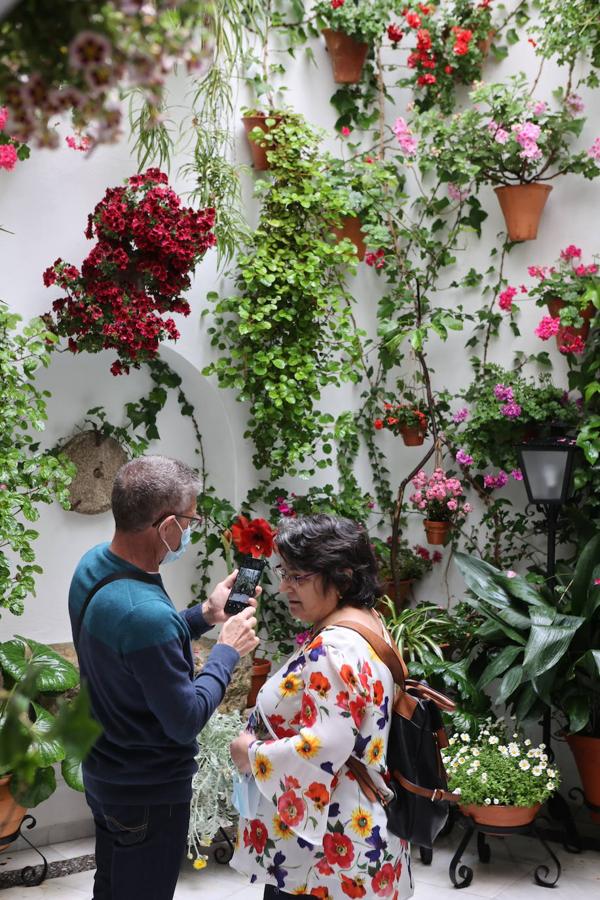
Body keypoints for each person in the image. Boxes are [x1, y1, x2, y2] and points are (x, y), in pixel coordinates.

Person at [68, 455, 259, 900]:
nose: (190, 530)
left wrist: (206, 615)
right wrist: (226, 651)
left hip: (105, 774)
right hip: (147, 794)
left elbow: (137, 647)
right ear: (167, 525)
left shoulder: (93, 565)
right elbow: (185, 718)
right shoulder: (145, 614)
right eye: (191, 519)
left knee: (112, 888)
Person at [229, 514, 413, 900]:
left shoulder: (334, 647)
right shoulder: (367, 623)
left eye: (298, 577)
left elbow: (325, 744)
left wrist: (253, 754)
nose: (284, 586)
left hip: (327, 853)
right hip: (358, 832)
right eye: (285, 573)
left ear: (342, 578)